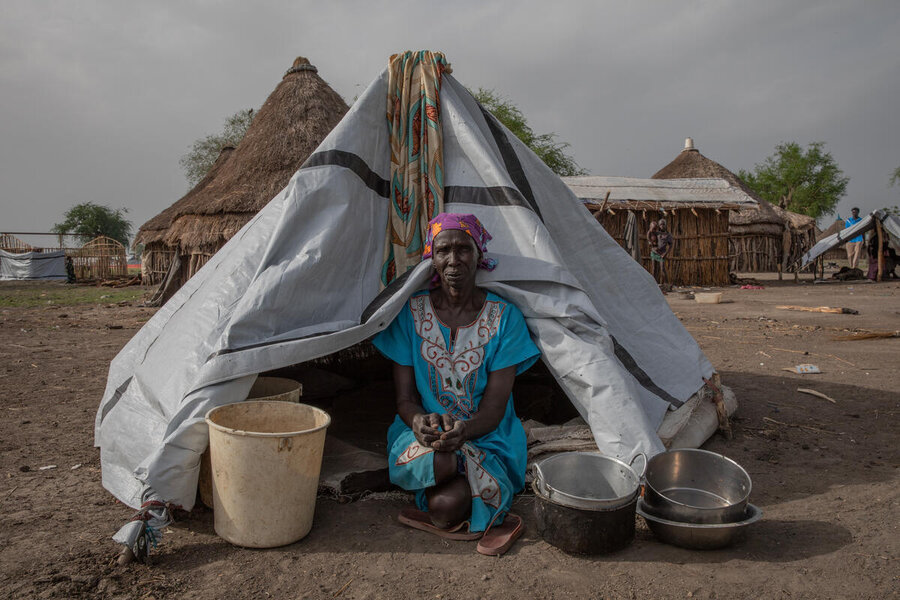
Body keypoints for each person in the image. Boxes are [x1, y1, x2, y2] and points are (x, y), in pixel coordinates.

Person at [372, 213, 541, 556]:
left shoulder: (504, 319)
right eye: (443, 250)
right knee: (443, 465)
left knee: (445, 509)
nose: (453, 260)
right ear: (431, 259)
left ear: (480, 254)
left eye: (463, 249)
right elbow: (405, 399)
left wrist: (463, 431)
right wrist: (419, 421)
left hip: (488, 436)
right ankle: (457, 483)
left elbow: (494, 409)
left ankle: (458, 490)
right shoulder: (410, 314)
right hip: (427, 438)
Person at [653, 218, 674, 286]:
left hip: (662, 253)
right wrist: (653, 247)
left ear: (666, 225)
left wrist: (665, 253)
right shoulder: (656, 233)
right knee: (654, 268)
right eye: (661, 224)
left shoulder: (668, 235)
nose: (662, 226)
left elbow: (670, 245)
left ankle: (666, 284)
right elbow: (650, 239)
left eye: (663, 224)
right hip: (655, 252)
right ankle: (653, 284)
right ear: (659, 225)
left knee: (662, 269)